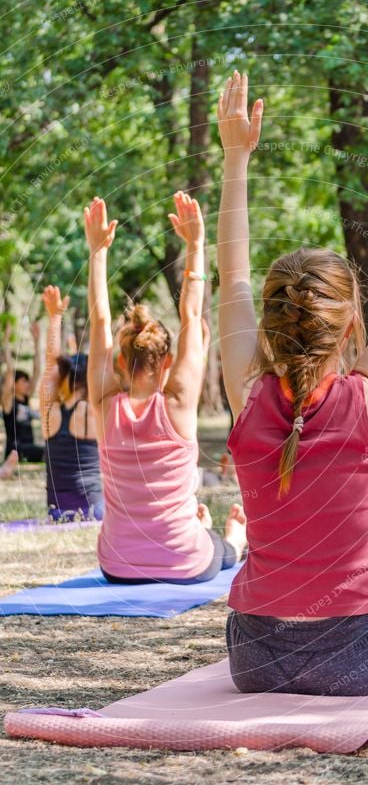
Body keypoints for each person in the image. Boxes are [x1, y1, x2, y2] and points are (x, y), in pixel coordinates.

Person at [217, 70, 368, 696]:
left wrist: (236, 156)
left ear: (269, 323)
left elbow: (232, 276)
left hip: (255, 661)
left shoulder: (247, 396)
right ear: (349, 330)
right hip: (361, 659)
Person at [84, 191, 246, 583]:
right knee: (224, 551)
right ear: (168, 362)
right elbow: (191, 312)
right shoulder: (178, 403)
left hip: (118, 568)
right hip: (185, 563)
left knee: (198, 529)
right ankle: (234, 538)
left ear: (121, 361)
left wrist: (98, 253)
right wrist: (196, 245)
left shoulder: (105, 405)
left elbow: (101, 323)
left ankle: (198, 525)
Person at [39, 285, 103, 521]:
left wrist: (55, 318)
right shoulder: (93, 410)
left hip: (57, 512)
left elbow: (51, 365)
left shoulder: (49, 410)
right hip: (94, 510)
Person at [1, 318, 44, 471]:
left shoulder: (26, 398)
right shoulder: (8, 402)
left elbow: (37, 370)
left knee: (51, 452)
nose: (27, 384)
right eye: (23, 381)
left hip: (29, 448)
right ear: (14, 384)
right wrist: (6, 341)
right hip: (16, 450)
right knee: (50, 454)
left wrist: (37, 341)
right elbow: (10, 373)